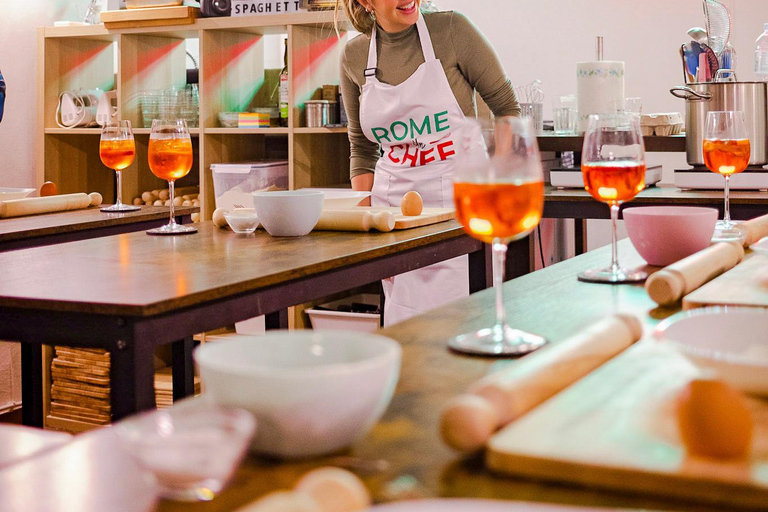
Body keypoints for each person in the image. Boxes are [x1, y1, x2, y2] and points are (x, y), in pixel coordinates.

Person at [337, 0, 520, 326]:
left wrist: (497, 184)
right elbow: (361, 149)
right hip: (395, 221)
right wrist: (368, 228)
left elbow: (507, 109)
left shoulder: (451, 31)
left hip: (460, 211)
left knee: (465, 325)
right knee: (407, 331)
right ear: (366, 2)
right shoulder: (354, 56)